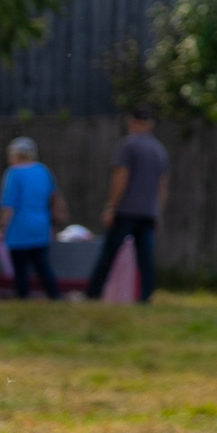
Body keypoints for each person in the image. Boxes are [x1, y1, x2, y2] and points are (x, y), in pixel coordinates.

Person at [85, 108, 168, 303]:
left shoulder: (128, 145)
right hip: (148, 212)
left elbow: (121, 175)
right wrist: (158, 211)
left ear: (131, 122)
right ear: (150, 124)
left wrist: (111, 206)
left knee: (109, 253)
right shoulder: (159, 149)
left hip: (126, 210)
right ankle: (145, 296)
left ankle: (93, 293)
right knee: (145, 258)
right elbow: (162, 184)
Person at [0, 137, 66, 301]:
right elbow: (54, 196)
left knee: (21, 269)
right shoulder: (43, 170)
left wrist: (2, 228)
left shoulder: (14, 173)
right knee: (42, 266)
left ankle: (23, 298)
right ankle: (54, 296)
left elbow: (8, 206)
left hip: (19, 228)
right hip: (41, 226)